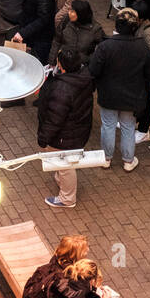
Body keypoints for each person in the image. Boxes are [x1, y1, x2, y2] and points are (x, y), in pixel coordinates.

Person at [88, 8, 150, 171]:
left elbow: (93, 71)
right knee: (128, 127)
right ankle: (128, 161)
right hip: (132, 97)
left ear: (116, 25)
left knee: (108, 126)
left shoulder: (105, 46)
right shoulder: (142, 47)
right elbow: (149, 73)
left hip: (109, 95)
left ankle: (106, 158)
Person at [37, 46, 94, 211]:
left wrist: (43, 138)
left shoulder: (62, 89)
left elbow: (54, 119)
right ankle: (63, 183)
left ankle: (67, 198)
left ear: (62, 65)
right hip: (79, 129)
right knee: (65, 164)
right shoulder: (83, 78)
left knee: (65, 166)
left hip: (65, 136)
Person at [22, 234, 89, 298]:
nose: (86, 254)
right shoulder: (68, 278)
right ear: (75, 257)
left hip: (33, 297)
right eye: (84, 253)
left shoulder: (56, 260)